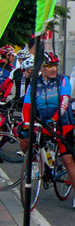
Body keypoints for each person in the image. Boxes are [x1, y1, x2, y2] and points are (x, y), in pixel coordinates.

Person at [22, 51, 75, 208]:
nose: (53, 69)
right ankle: (40, 167)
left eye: (55, 65)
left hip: (63, 123)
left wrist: (54, 120)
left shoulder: (62, 80)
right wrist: (25, 123)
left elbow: (64, 102)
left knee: (67, 160)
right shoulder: (34, 83)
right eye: (49, 66)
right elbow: (27, 105)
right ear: (41, 68)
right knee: (26, 141)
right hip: (44, 123)